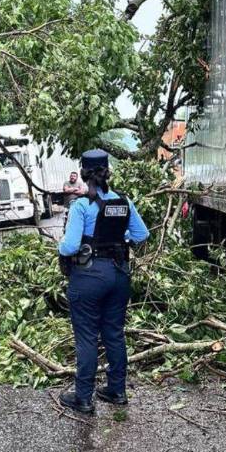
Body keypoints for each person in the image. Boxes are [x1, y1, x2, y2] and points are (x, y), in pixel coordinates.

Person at [57, 149, 149, 415]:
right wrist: (120, 242)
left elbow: (70, 246)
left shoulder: (81, 206)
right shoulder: (124, 202)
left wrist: (61, 246)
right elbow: (142, 235)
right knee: (114, 333)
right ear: (108, 171)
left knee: (87, 337)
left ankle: (83, 397)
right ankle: (117, 391)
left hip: (88, 277)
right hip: (119, 274)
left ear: (84, 174)